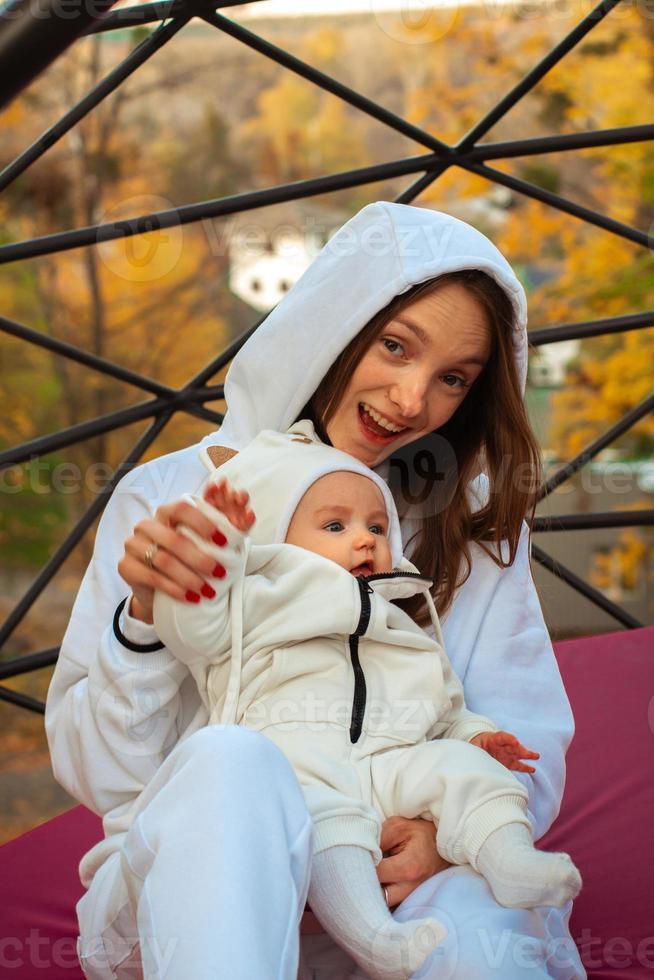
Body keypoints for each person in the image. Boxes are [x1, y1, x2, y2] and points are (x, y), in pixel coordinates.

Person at [45, 201, 586, 980]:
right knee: (233, 760)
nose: (411, 401)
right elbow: (100, 773)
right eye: (395, 346)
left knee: (480, 930)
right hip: (199, 890)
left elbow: (521, 726)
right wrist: (146, 620)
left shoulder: (465, 518)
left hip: (401, 867)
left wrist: (444, 834)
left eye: (452, 379)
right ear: (334, 322)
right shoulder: (170, 497)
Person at [150, 420, 582, 980]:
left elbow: (442, 702)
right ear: (277, 537)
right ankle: (375, 939)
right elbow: (191, 627)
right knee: (330, 821)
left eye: (377, 526)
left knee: (462, 770)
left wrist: (474, 735)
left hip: (393, 763)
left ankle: (512, 862)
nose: (365, 539)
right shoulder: (252, 605)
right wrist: (216, 558)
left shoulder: (400, 623)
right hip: (303, 769)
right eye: (336, 524)